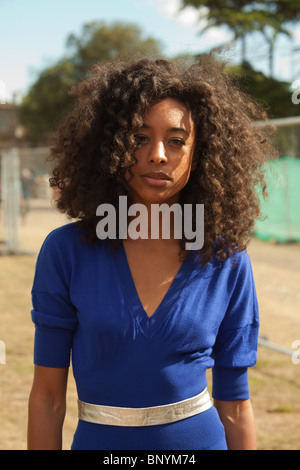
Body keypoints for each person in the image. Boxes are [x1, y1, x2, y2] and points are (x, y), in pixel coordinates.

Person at [27, 56, 275, 450]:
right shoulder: (65, 252)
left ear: (199, 153)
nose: (158, 154)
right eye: (139, 138)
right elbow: (48, 398)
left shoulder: (225, 259)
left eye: (176, 141)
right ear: (109, 144)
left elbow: (236, 406)